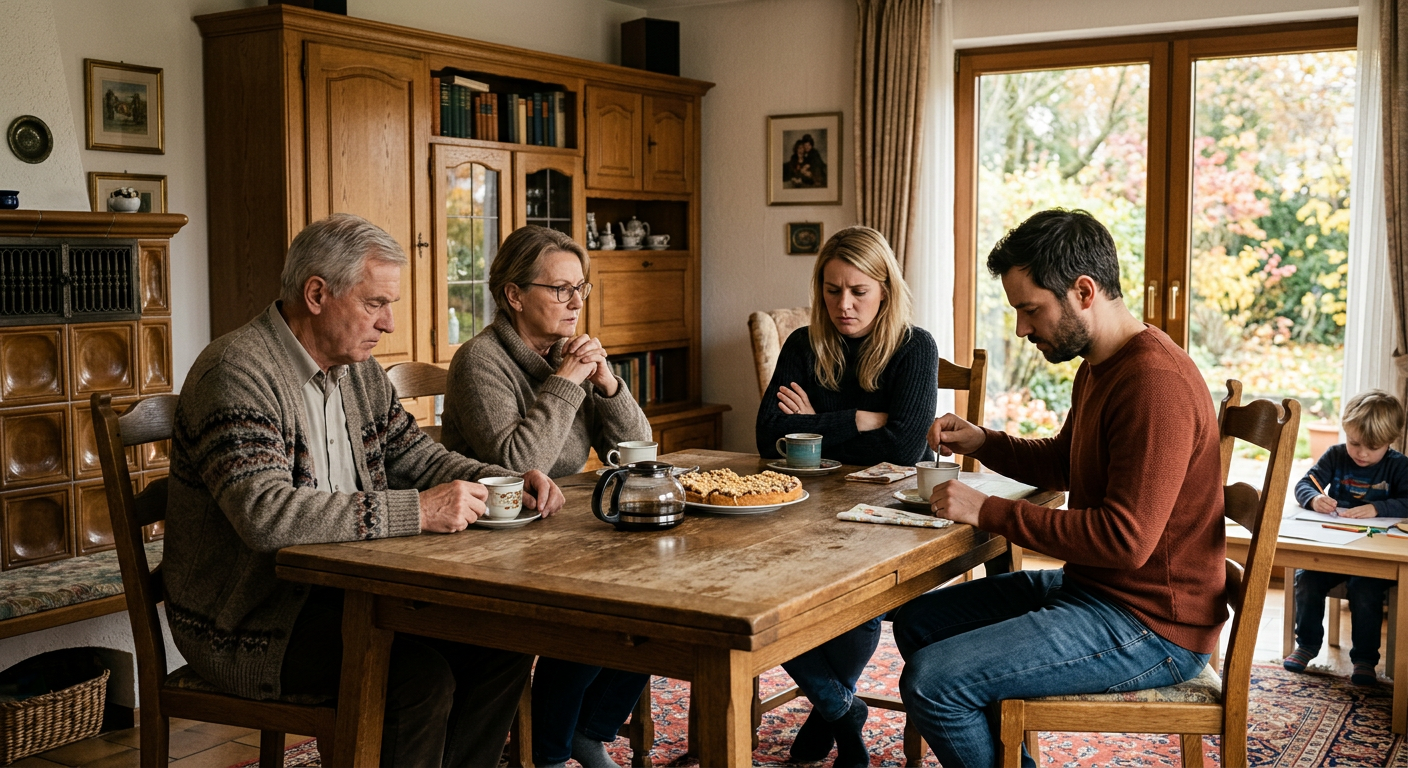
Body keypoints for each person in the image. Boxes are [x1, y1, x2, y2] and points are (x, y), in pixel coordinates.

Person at [163, 213, 565, 768]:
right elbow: (265, 515)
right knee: (418, 681)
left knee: (502, 646)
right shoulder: (236, 372)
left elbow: (414, 455)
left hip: (349, 593)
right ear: (317, 294)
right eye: (376, 303)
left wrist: (500, 480)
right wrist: (418, 511)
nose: (390, 323)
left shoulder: (356, 370)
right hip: (253, 617)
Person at [891, 209, 1226, 768]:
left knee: (933, 683)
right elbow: (1064, 463)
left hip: (1150, 625)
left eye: (1030, 309)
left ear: (1084, 291)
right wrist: (982, 441)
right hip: (1099, 593)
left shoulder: (1153, 384)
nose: (1022, 329)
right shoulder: (1100, 366)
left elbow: (1125, 541)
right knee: (918, 622)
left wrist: (988, 510)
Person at [442, 225, 653, 768]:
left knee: (658, 604)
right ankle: (551, 751)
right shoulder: (479, 361)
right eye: (560, 289)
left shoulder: (569, 352)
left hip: (558, 526)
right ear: (514, 295)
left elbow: (641, 449)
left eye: (580, 287)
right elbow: (514, 465)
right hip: (488, 539)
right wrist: (566, 379)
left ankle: (589, 728)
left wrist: (607, 385)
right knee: (593, 614)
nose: (576, 301)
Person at [754, 225, 937, 766]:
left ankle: (827, 710)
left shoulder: (913, 347)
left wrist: (812, 422)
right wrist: (859, 417)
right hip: (804, 506)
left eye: (858, 291)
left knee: (855, 608)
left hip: (885, 513)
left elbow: (904, 447)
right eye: (833, 290)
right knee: (765, 604)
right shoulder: (802, 345)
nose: (844, 304)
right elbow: (767, 437)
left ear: (885, 288)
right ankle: (841, 710)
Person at [1283, 389, 1408, 685]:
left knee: (1365, 592)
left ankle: (1364, 659)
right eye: (1354, 442)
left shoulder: (1399, 466)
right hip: (1335, 549)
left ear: (1390, 441)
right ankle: (1307, 644)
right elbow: (1305, 484)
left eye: (1372, 447)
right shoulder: (1336, 456)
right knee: (1307, 580)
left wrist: (1378, 507)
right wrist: (1314, 499)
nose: (1361, 453)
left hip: (1375, 556)